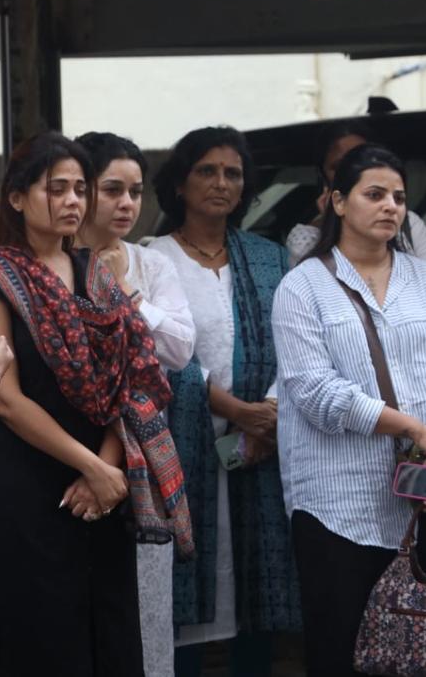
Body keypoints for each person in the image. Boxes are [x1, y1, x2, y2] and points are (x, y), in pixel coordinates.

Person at [0, 131, 193, 677]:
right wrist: (90, 465)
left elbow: (134, 381)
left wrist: (107, 468)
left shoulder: (96, 275)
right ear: (17, 198)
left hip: (100, 492)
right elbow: (6, 401)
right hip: (28, 484)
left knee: (109, 632)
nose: (73, 201)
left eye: (79, 189)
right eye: (57, 189)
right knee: (41, 636)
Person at [272, 143, 426, 675]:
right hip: (334, 505)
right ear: (338, 202)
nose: (391, 205)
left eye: (399, 197)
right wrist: (415, 429)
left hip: (425, 497)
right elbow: (315, 392)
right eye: (374, 194)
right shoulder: (302, 286)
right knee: (342, 650)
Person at [148, 126, 300, 675]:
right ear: (181, 185)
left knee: (256, 597)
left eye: (232, 173)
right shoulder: (153, 259)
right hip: (185, 448)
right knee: (201, 600)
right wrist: (235, 411)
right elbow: (159, 359)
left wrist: (266, 420)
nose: (220, 182)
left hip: (263, 445)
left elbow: (297, 341)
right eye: (206, 171)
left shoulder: (268, 258)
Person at [74, 131, 196, 677]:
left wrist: (127, 297)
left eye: (136, 192)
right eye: (112, 190)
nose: (126, 204)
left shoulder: (150, 265)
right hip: (71, 441)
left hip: (140, 449)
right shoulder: (54, 264)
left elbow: (179, 348)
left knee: (143, 593)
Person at [285, 119, 426, 267]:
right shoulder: (305, 240)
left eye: (362, 161)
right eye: (339, 166)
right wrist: (332, 225)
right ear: (323, 176)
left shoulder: (408, 224)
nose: (352, 171)